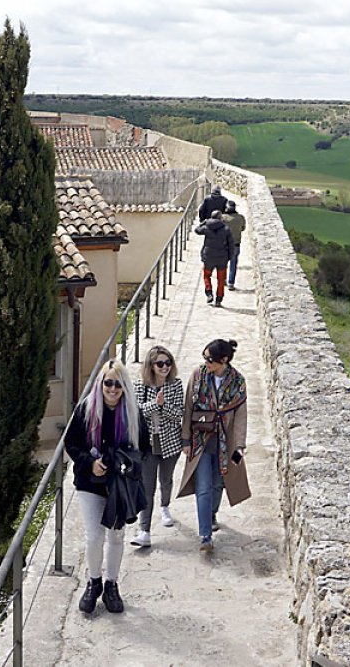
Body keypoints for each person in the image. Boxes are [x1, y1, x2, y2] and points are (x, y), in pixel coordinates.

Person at [66, 360, 150, 614]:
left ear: (124, 387)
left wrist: (123, 462)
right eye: (108, 383)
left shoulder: (133, 415)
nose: (112, 389)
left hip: (119, 485)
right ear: (101, 384)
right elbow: (72, 444)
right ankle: (94, 582)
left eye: (118, 384)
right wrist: (90, 463)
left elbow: (143, 449)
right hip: (89, 483)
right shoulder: (85, 411)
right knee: (94, 537)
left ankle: (112, 584)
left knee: (116, 536)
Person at [177, 339, 251, 552]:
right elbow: (188, 407)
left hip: (224, 442)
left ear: (224, 360)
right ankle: (205, 536)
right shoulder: (198, 375)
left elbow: (240, 416)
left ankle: (211, 514)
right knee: (203, 487)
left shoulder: (238, 382)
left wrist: (239, 444)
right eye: (204, 357)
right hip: (201, 439)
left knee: (219, 483)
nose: (206, 362)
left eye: (210, 359)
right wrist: (185, 439)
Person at [131, 345, 185, 548]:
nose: (165, 367)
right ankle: (144, 530)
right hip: (148, 444)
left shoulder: (176, 385)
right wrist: (156, 404)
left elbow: (179, 413)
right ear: (151, 365)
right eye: (160, 363)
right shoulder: (140, 386)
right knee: (147, 486)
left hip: (170, 442)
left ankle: (165, 505)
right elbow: (136, 412)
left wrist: (163, 406)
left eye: (168, 363)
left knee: (166, 479)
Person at [195, 210, 234, 308]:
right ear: (220, 218)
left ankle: (209, 293)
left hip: (209, 257)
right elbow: (231, 245)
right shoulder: (226, 229)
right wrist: (229, 256)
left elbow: (197, 230)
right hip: (222, 258)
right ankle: (219, 300)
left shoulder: (207, 227)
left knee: (206, 275)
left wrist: (204, 222)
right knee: (221, 280)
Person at [221, 200, 246, 291]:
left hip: (224, 244)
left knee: (223, 263)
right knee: (233, 264)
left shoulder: (223, 218)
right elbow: (243, 228)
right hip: (236, 244)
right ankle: (231, 283)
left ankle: (222, 279)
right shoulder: (241, 218)